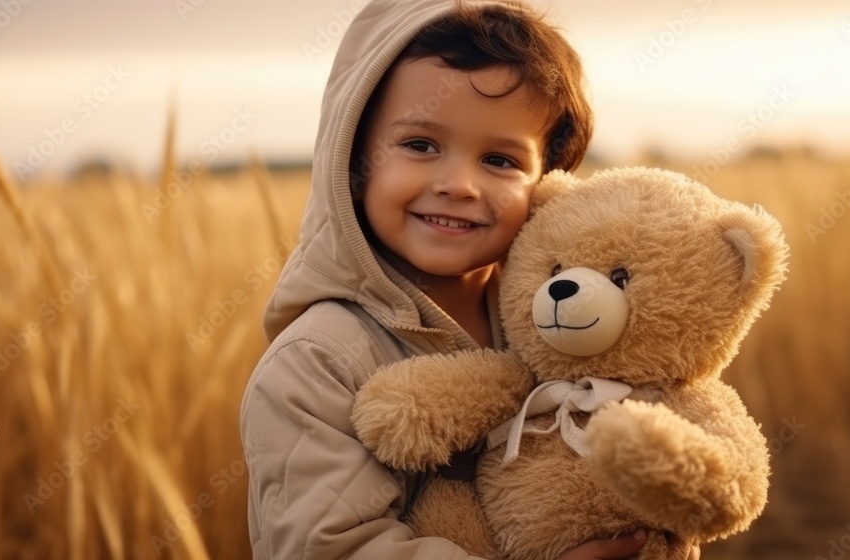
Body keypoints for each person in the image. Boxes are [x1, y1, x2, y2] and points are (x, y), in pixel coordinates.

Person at [240, 0, 701, 558]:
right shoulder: (319, 361)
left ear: (547, 181)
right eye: (419, 145)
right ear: (352, 160)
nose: (458, 184)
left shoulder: (563, 324)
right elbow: (330, 548)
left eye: (501, 161)